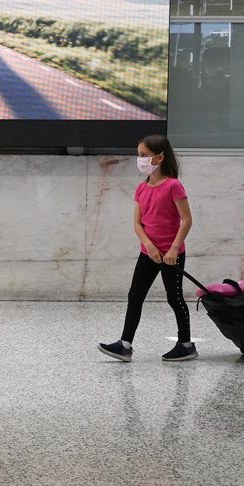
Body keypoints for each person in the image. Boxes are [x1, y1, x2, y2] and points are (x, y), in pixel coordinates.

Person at [98, 134, 196, 362]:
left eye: (144, 155)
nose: (140, 159)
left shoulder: (173, 186)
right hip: (149, 253)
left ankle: (186, 344)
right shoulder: (142, 188)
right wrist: (149, 246)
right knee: (135, 296)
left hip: (172, 255)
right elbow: (137, 223)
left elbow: (187, 219)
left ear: (160, 157)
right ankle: (124, 345)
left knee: (175, 298)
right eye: (139, 155)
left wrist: (173, 250)